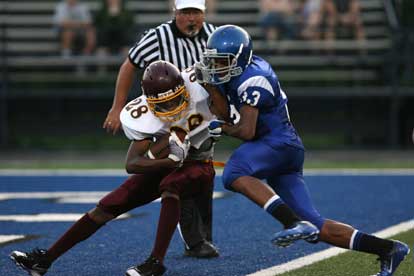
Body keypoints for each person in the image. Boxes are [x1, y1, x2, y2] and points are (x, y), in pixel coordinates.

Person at [195, 25, 411, 275]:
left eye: (222, 62)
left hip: (278, 144)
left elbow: (246, 131)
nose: (217, 66)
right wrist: (211, 86)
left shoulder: (255, 77)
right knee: (316, 227)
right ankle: (389, 249)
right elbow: (223, 112)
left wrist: (221, 129)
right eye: (214, 61)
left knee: (235, 172)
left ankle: (291, 222)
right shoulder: (236, 72)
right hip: (279, 147)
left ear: (240, 57)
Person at [9, 61, 213, 276]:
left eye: (174, 100)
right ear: (149, 102)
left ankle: (156, 263)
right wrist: (168, 162)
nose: (171, 109)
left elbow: (225, 112)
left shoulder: (201, 87)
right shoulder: (143, 116)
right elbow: (132, 163)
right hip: (169, 165)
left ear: (184, 89)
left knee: (171, 185)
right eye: (163, 104)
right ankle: (44, 260)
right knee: (107, 206)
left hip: (200, 163)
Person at [103, 0, 219, 258]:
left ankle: (202, 237)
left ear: (204, 13)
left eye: (195, 13)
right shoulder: (158, 36)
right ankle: (195, 241)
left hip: (200, 114)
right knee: (182, 170)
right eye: (185, 12)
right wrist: (116, 107)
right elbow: (129, 65)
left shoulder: (212, 35)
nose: (191, 18)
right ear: (175, 12)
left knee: (204, 173)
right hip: (166, 119)